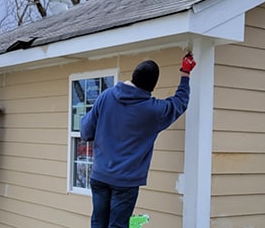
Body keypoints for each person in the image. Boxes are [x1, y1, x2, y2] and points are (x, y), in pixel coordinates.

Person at [81, 53, 196, 228]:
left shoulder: (106, 96)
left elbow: (85, 131)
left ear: (133, 76)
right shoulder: (153, 111)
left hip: (100, 176)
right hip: (125, 182)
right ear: (151, 87)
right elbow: (180, 102)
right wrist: (185, 73)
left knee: (98, 223)